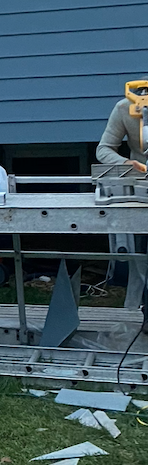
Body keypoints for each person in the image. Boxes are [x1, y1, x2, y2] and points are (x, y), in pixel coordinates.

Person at [97, 81, 148, 310]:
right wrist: (127, 164)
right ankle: (139, 308)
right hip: (141, 187)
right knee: (141, 256)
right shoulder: (124, 108)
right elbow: (104, 149)